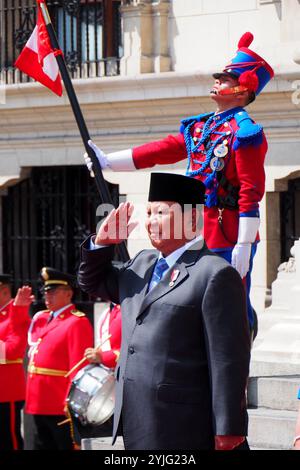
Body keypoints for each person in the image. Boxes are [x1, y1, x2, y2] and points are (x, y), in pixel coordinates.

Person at [84, 32, 274, 338]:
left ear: (243, 89)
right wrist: (108, 161)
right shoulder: (201, 127)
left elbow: (251, 192)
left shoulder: (246, 132)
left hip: (225, 231)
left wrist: (244, 243)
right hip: (190, 228)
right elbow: (164, 149)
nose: (218, 81)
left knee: (228, 308)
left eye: (226, 79)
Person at [78, 172, 251, 450]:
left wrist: (229, 426)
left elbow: (228, 359)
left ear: (192, 219)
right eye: (148, 212)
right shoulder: (142, 263)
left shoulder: (214, 273)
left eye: (160, 212)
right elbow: (92, 282)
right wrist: (102, 244)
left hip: (184, 423)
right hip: (137, 417)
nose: (151, 221)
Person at [25, 267, 93, 450]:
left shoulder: (77, 322)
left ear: (68, 294)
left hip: (58, 401)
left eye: (53, 292)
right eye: (46, 292)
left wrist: (70, 401)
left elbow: (79, 366)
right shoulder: (45, 318)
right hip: (39, 399)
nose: (47, 297)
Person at [70, 303, 122, 446]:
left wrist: (104, 357)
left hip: (126, 385)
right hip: (109, 386)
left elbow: (134, 347)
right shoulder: (107, 312)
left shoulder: (127, 309)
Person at [0, 274, 33, 450]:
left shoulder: (15, 315)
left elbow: (14, 351)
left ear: (4, 291)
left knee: (8, 440)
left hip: (6, 392)